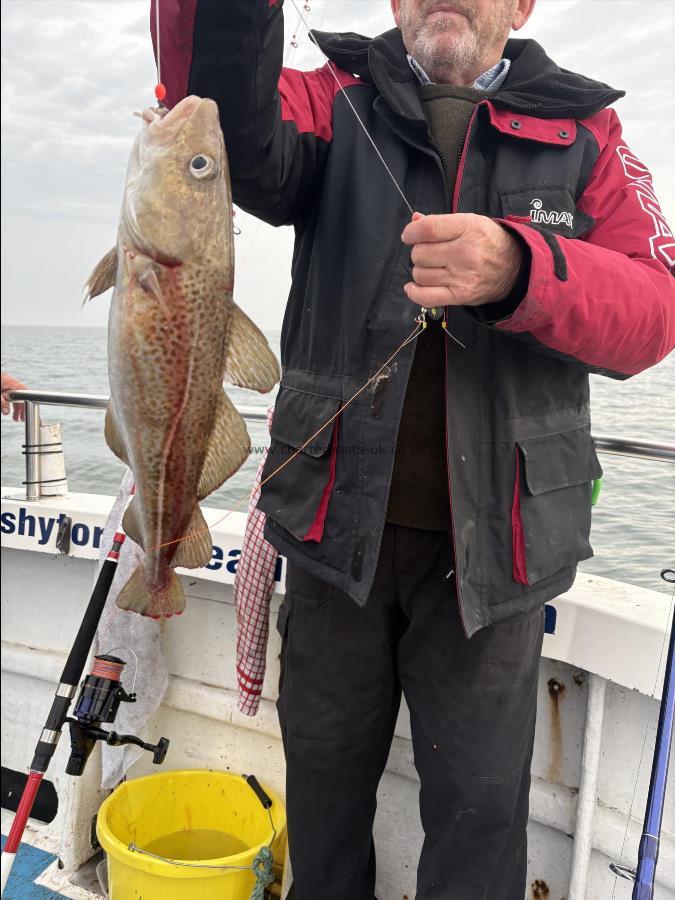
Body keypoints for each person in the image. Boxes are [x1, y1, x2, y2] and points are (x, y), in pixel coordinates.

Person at [154, 1, 675, 897]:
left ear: (520, 4)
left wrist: (520, 266)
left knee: (478, 815)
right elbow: (219, 121)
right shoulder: (332, 97)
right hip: (327, 539)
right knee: (319, 797)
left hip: (496, 561)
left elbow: (653, 307)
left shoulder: (585, 129)